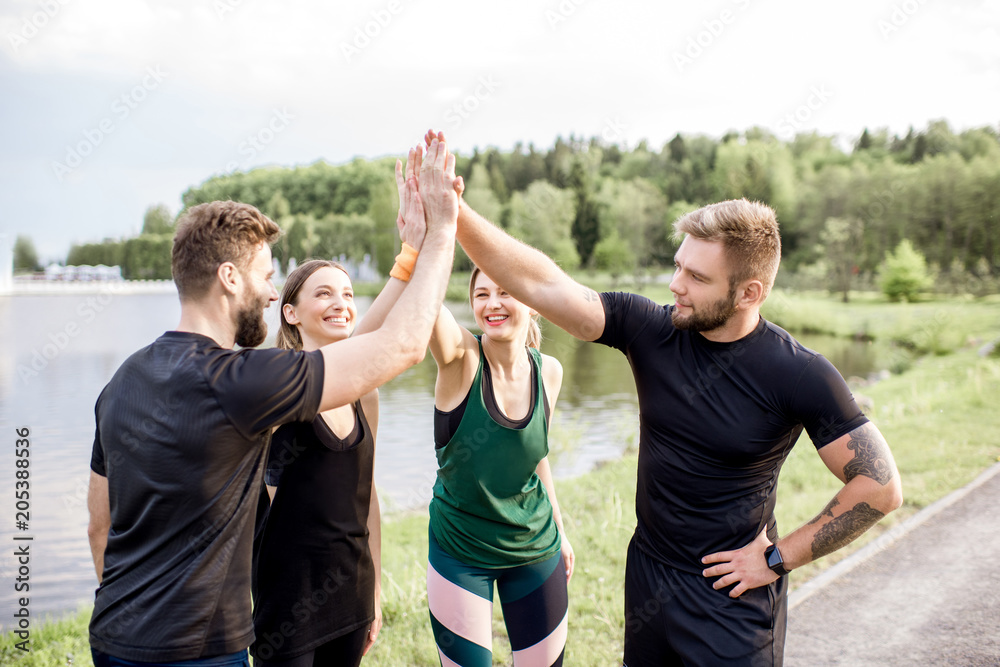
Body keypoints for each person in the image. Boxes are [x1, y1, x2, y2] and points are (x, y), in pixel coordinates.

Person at [436, 165, 903, 666]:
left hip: (731, 600)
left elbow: (879, 486)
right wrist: (452, 214)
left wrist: (776, 557)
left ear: (749, 293)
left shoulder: (799, 373)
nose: (676, 284)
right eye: (678, 265)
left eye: (697, 277)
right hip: (649, 583)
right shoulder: (651, 329)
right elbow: (541, 283)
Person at [85, 136, 460, 666]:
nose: (268, 292)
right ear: (228, 277)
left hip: (115, 640)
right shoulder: (240, 381)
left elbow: (99, 524)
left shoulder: (120, 382)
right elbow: (399, 346)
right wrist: (443, 231)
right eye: (265, 277)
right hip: (201, 651)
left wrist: (408, 256)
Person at [250, 260, 383, 667]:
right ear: (291, 313)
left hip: (351, 591)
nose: (340, 302)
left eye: (347, 293)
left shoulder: (366, 394)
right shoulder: (275, 392)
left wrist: (375, 590)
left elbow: (369, 495)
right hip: (287, 601)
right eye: (323, 293)